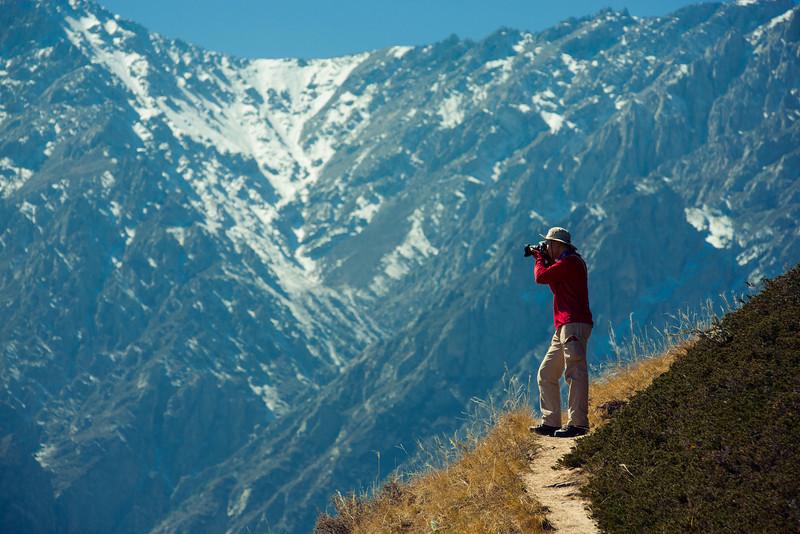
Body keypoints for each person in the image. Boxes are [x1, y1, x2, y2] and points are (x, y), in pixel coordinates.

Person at [527, 227, 594, 438]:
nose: (546, 247)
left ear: (558, 245)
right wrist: (546, 260)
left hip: (573, 323)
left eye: (548, 244)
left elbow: (541, 277)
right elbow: (553, 283)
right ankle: (551, 422)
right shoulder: (565, 264)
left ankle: (578, 423)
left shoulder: (571, 262)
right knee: (547, 372)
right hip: (564, 325)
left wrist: (539, 258)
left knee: (575, 372)